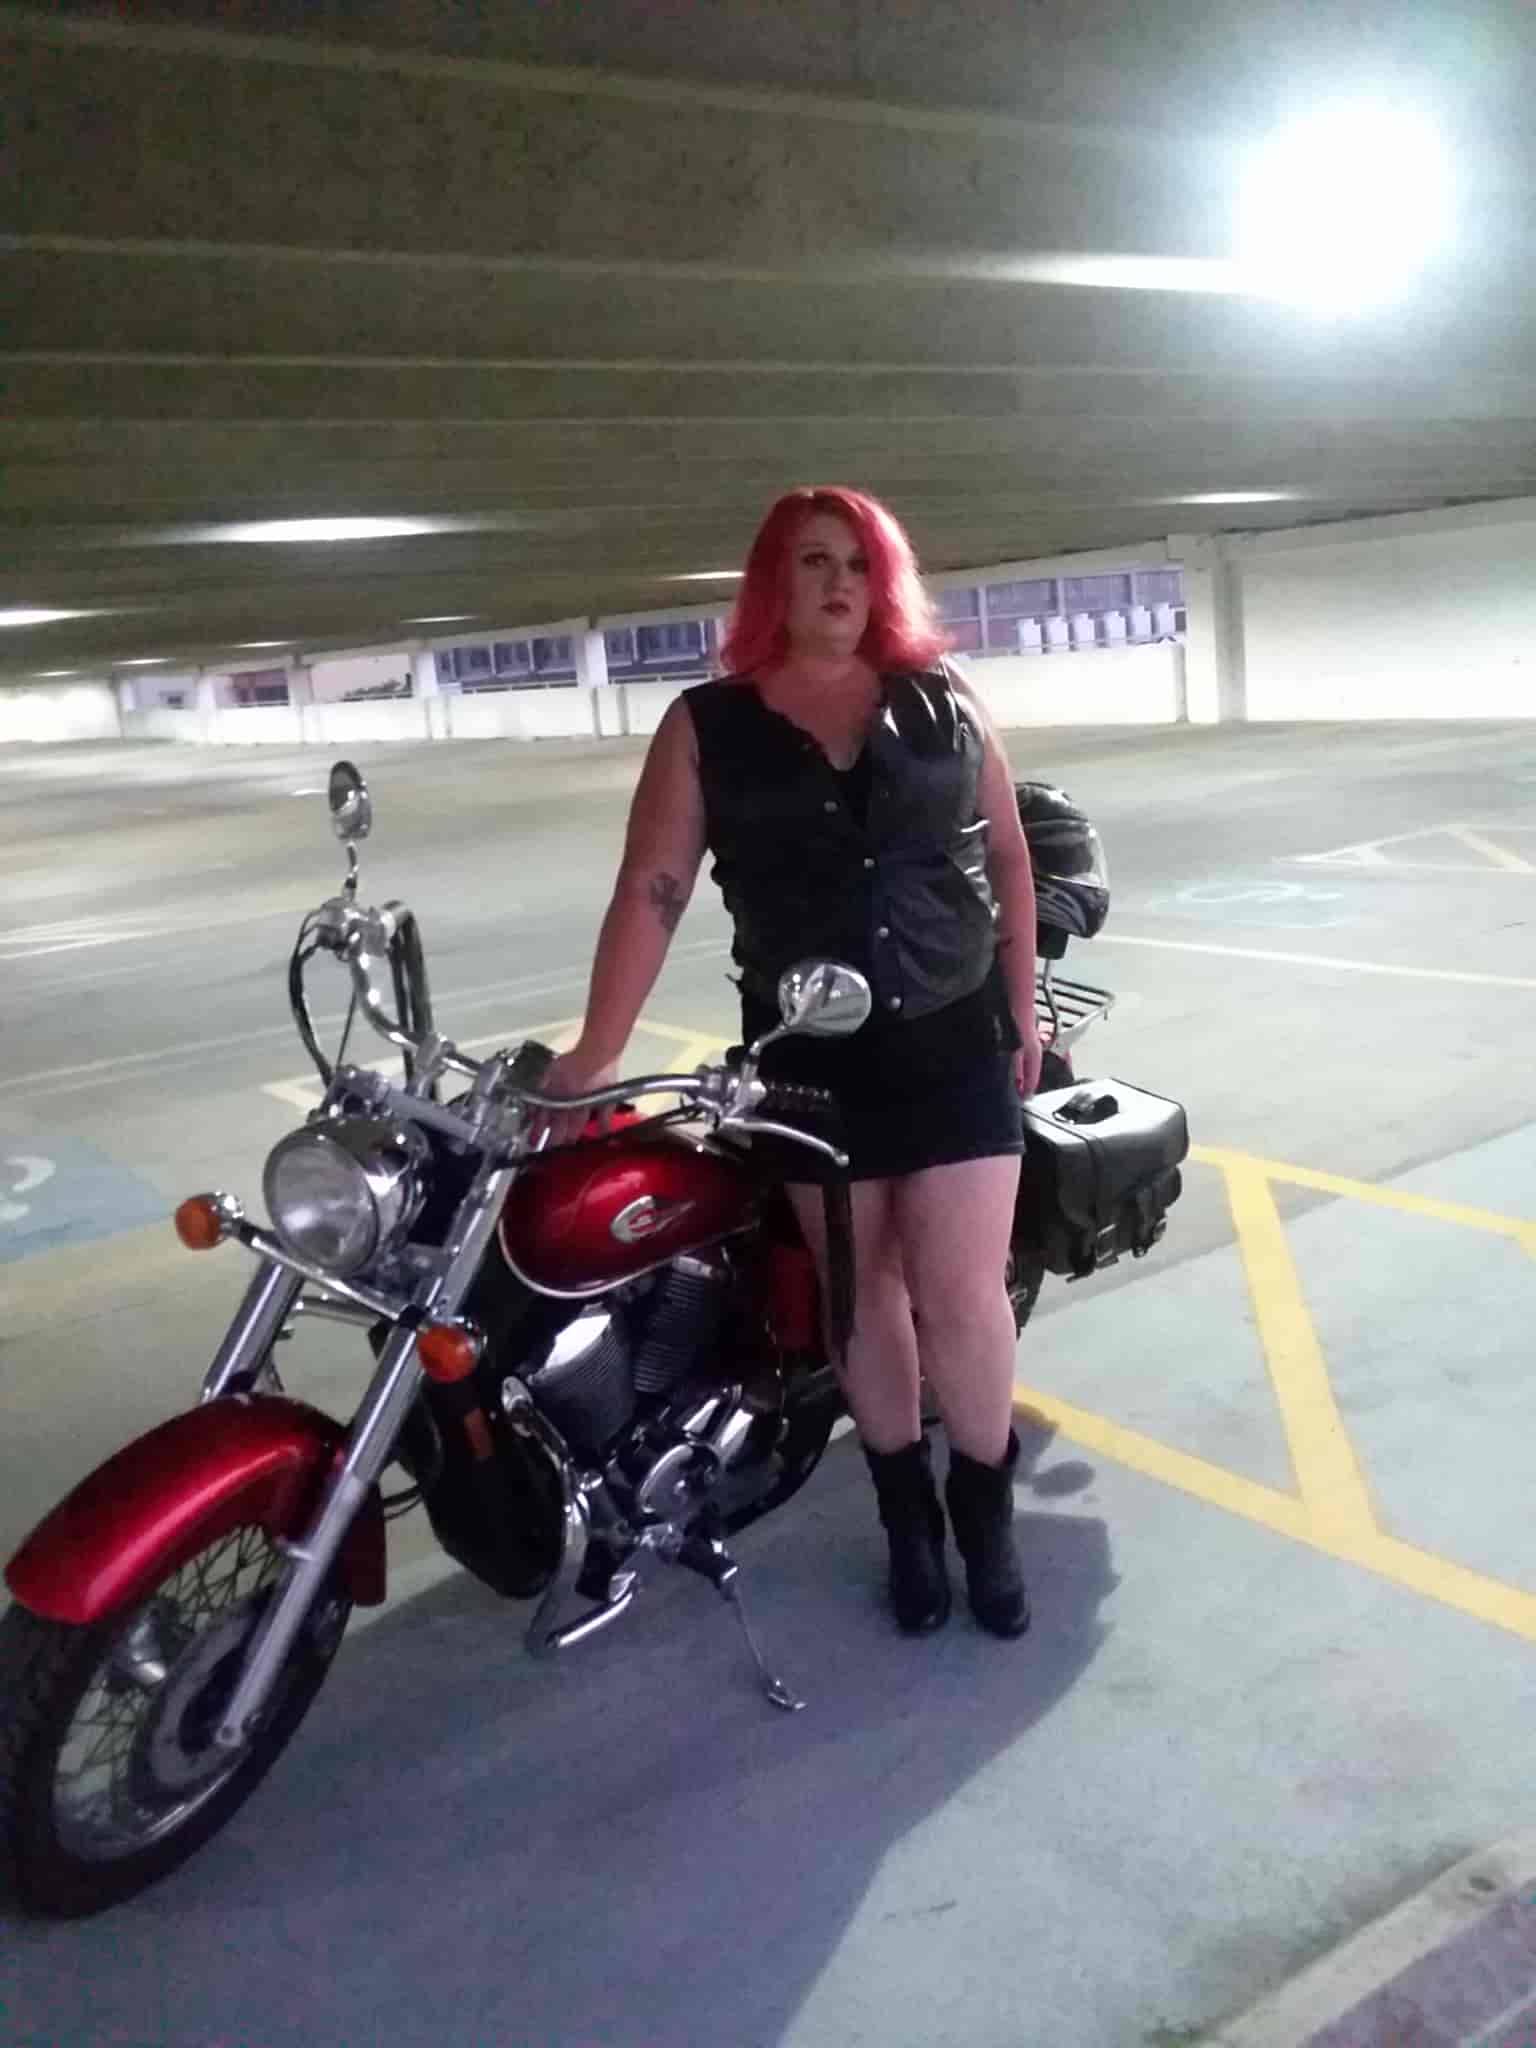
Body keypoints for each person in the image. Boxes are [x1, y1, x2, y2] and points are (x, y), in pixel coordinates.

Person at [541, 486, 1043, 1638]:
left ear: (885, 584)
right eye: (815, 562)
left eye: (860, 566)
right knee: (860, 1298)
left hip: (954, 1035)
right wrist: (595, 1051)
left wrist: (1024, 1011)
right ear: (775, 581)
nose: (839, 585)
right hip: (809, 1061)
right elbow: (652, 892)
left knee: (963, 1291)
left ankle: (984, 1510)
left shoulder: (944, 698)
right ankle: (906, 1514)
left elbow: (1007, 858)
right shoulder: (707, 724)